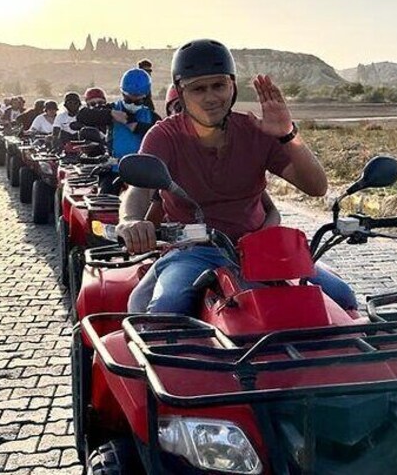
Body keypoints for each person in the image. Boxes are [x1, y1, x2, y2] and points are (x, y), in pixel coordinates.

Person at [117, 38, 357, 315]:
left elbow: (316, 187)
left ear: (232, 85)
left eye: (218, 85)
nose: (210, 97)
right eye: (198, 89)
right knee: (166, 307)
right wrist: (131, 221)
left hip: (261, 249)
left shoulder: (255, 130)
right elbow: (138, 191)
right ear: (181, 94)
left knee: (342, 296)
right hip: (192, 250)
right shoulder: (164, 136)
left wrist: (287, 134)